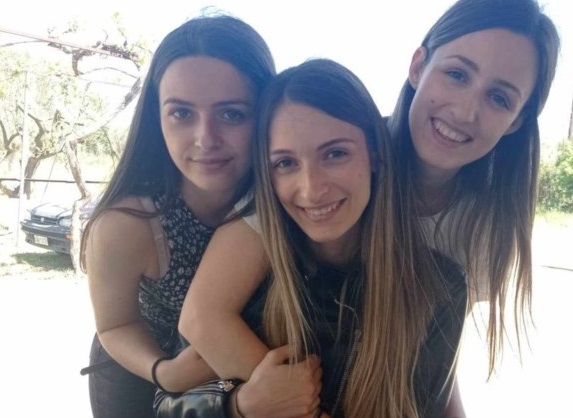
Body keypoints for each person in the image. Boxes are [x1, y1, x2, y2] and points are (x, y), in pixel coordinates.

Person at [173, 58, 467, 418]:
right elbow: (168, 405)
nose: (312, 189)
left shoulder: (439, 288)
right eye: (285, 163)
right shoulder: (246, 283)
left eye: (335, 154)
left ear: (375, 156)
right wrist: (240, 406)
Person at [80, 15, 277, 418]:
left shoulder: (290, 197)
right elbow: (115, 326)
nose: (206, 139)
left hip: (239, 373)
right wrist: (164, 371)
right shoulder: (126, 224)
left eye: (232, 114)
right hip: (140, 373)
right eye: (182, 114)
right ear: (157, 117)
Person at [386, 0, 560, 373]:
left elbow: (429, 364)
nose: (465, 112)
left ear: (515, 122)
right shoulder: (333, 161)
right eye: (457, 75)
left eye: (499, 98)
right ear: (418, 67)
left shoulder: (486, 230)